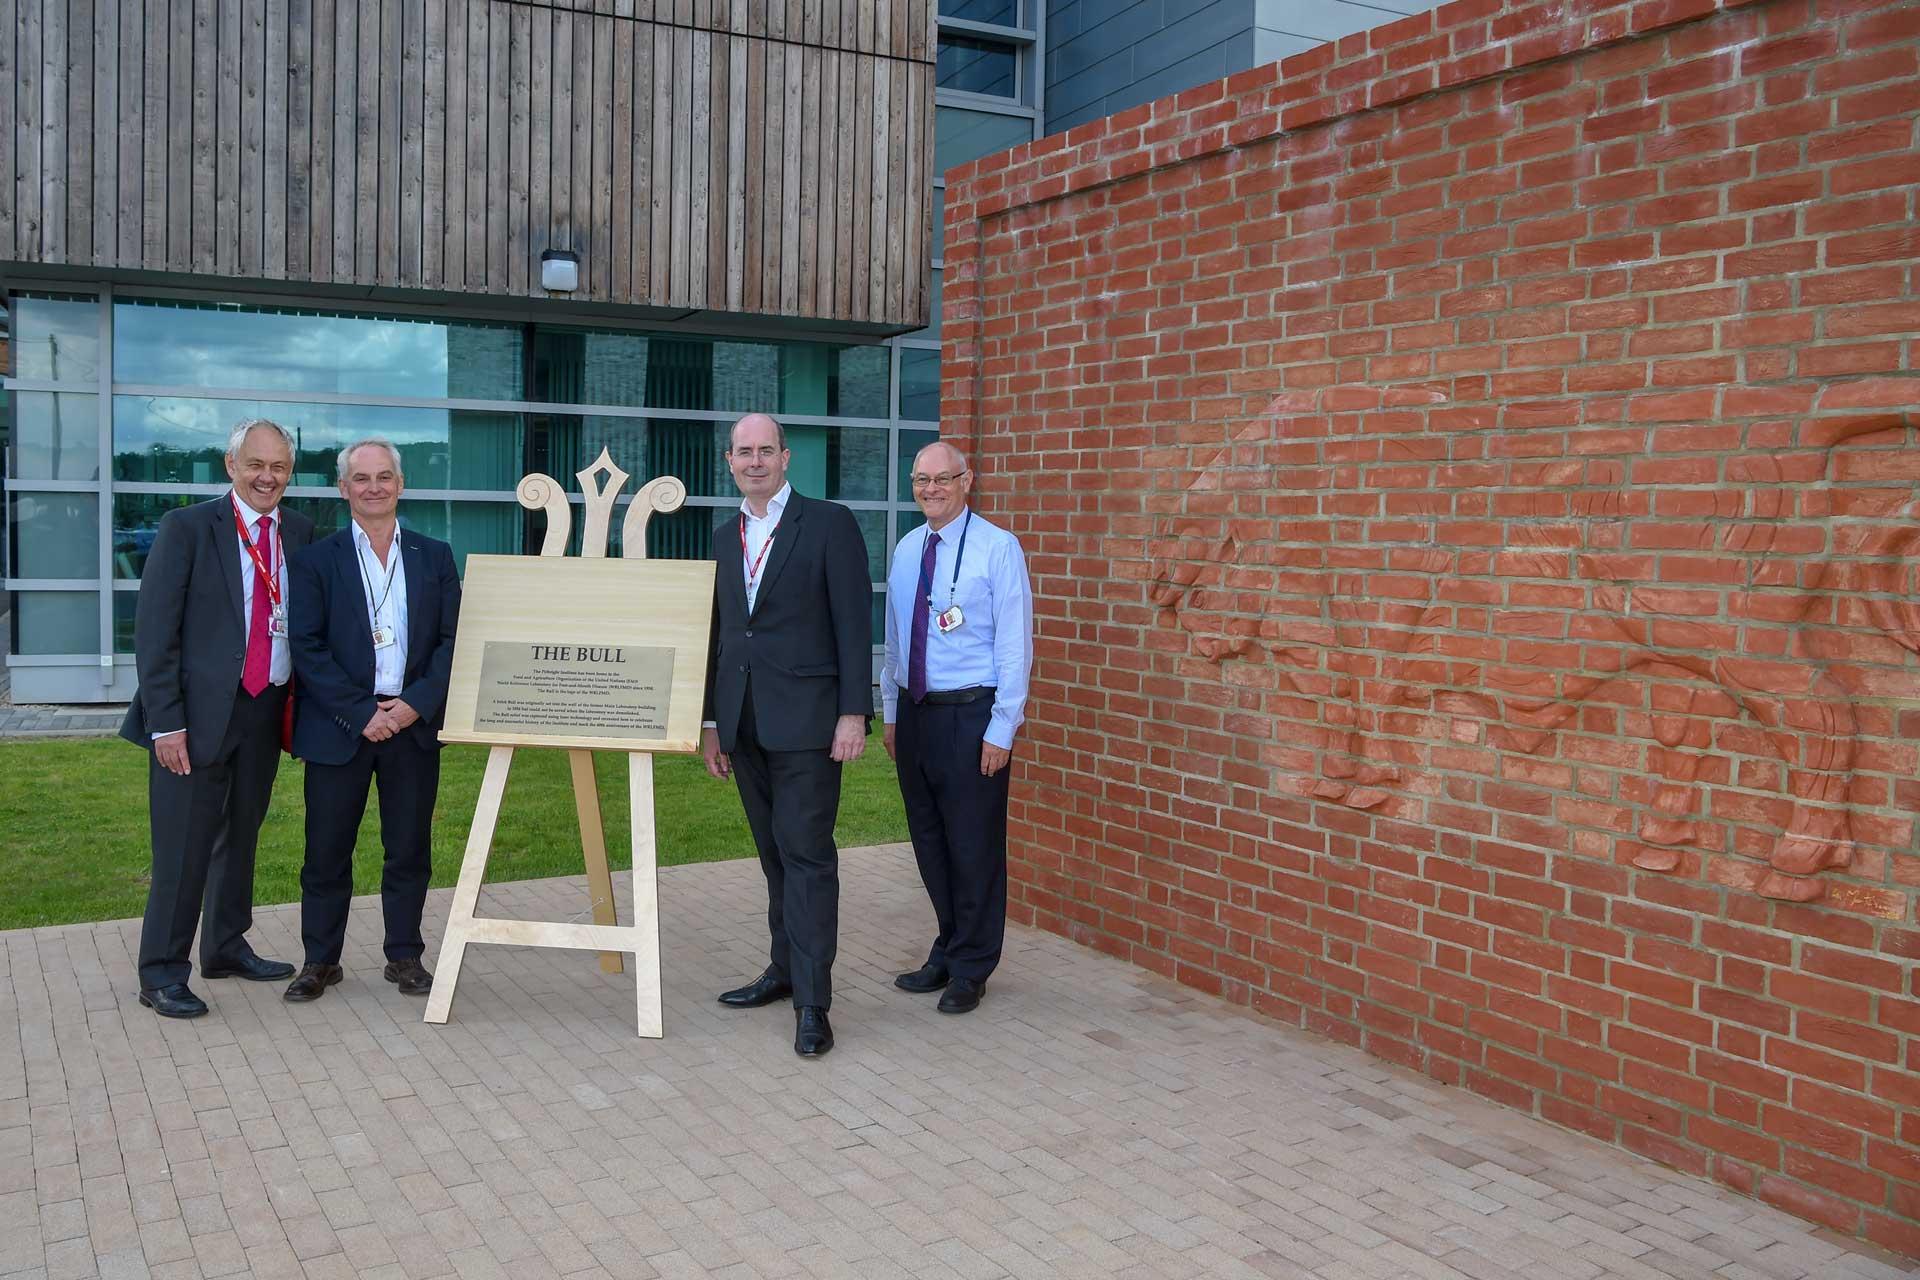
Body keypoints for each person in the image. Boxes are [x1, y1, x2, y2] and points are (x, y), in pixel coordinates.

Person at [120, 419, 312, 1017]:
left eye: (279, 467)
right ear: (231, 466)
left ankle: (225, 946)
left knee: (242, 834)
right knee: (183, 845)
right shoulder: (187, 528)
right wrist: (165, 723)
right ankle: (161, 972)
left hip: (263, 706)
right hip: (194, 717)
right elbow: (155, 636)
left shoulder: (300, 533)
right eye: (256, 464)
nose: (267, 477)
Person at [702, 412, 873, 1057]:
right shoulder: (724, 536)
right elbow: (723, 634)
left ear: (786, 457)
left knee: (806, 859)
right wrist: (714, 723)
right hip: (745, 724)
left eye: (764, 451)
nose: (754, 462)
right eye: (743, 452)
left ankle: (813, 1003)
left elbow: (854, 623)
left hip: (808, 723)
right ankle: (782, 971)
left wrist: (853, 712)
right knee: (774, 858)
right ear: (729, 461)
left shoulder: (828, 524)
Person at [282, 438, 460, 1003]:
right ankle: (320, 961)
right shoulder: (315, 560)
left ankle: (404, 956)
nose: (374, 487)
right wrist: (362, 713)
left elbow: (455, 641)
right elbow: (306, 646)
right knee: (327, 849)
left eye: (385, 477)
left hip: (412, 724)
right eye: (362, 478)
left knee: (408, 848)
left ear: (400, 485)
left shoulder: (435, 555)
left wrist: (414, 704)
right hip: (341, 727)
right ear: (343, 488)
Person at [881, 443, 1032, 1015]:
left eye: (943, 479)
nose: (931, 489)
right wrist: (893, 713)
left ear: (967, 481)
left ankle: (973, 965)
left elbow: (1015, 646)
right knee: (930, 842)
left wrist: (1002, 728)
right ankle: (948, 944)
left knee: (973, 845)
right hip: (917, 712)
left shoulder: (997, 548)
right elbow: (896, 638)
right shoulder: (906, 548)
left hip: (973, 716)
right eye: (921, 479)